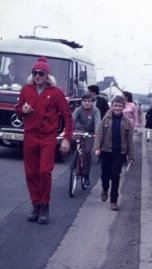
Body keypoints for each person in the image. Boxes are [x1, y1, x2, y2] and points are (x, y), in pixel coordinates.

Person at [15, 56, 72, 224]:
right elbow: (18, 109)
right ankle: (36, 205)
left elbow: (67, 117)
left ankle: (45, 205)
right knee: (30, 173)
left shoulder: (56, 93)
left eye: (41, 73)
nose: (37, 76)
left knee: (44, 171)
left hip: (48, 137)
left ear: (47, 75)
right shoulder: (26, 90)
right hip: (30, 136)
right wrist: (22, 110)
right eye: (35, 73)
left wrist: (66, 138)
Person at [93, 95, 134, 211]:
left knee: (115, 175)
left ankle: (114, 201)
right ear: (112, 106)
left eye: (120, 106)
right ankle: (105, 188)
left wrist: (131, 156)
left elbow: (129, 140)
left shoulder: (126, 121)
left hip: (120, 152)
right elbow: (99, 134)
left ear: (123, 107)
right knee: (105, 175)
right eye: (115, 105)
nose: (117, 108)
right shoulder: (106, 119)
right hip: (106, 150)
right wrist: (97, 148)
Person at [72, 92, 101, 185]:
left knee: (88, 151)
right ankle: (74, 160)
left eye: (89, 101)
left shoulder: (96, 111)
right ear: (82, 102)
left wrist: (96, 133)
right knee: (71, 142)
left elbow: (97, 123)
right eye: (85, 101)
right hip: (79, 130)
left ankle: (86, 174)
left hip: (90, 132)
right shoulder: (78, 110)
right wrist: (68, 130)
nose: (87, 103)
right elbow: (72, 120)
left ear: (92, 102)